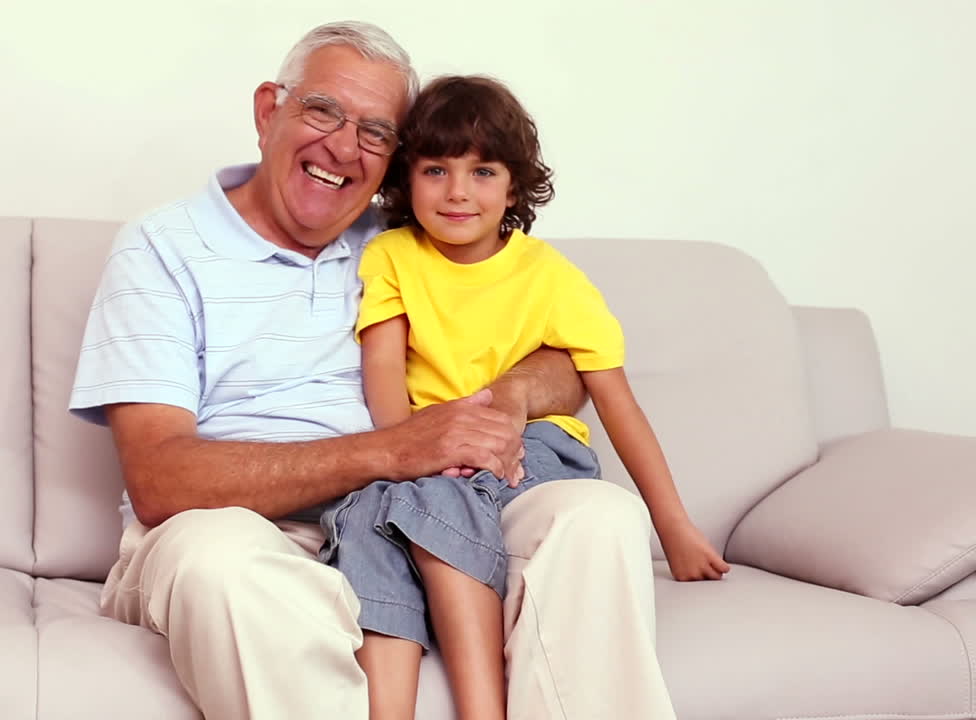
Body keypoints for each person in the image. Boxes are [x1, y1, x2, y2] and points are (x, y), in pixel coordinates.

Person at [72, 21, 680, 720]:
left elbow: (568, 365)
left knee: (596, 516)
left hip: (421, 510)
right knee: (222, 560)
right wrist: (392, 450)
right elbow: (159, 481)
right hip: (248, 528)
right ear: (269, 111)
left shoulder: (410, 240)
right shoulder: (161, 248)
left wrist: (508, 396)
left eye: (375, 131)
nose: (342, 146)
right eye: (322, 110)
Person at [319, 74, 730, 720]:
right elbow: (384, 372)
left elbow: (617, 405)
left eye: (483, 171)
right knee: (375, 515)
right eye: (435, 170)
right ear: (407, 179)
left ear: (515, 185)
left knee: (446, 487)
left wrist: (673, 525)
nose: (458, 192)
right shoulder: (392, 256)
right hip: (435, 445)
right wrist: (407, 451)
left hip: (536, 450)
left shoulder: (552, 278)